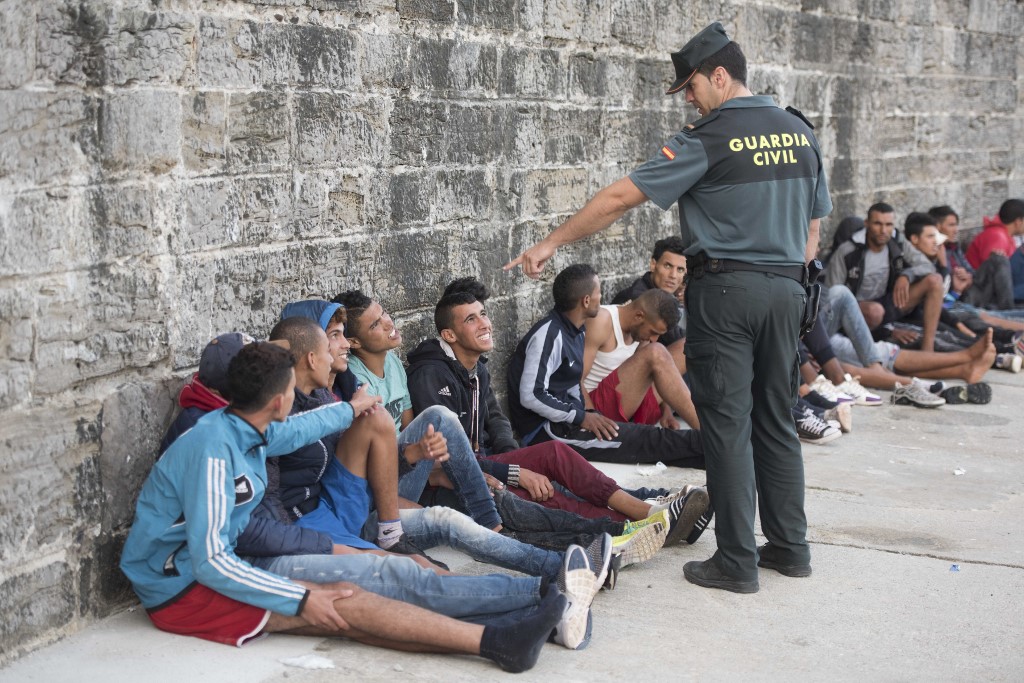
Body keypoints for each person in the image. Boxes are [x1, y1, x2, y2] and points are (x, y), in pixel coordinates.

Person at [506, 23, 830, 593]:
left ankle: (735, 561)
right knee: (776, 421)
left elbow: (618, 198)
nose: (688, 97)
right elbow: (813, 225)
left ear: (721, 76)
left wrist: (552, 243)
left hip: (728, 292)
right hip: (788, 290)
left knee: (726, 427)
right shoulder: (798, 133)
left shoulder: (710, 135)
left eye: (692, 85)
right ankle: (790, 548)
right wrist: (791, 282)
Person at [121, 341, 567, 671]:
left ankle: (521, 616)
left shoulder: (243, 424)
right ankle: (520, 616)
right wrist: (298, 598)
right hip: (182, 589)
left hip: (220, 564)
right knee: (353, 598)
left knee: (360, 601)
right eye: (293, 392)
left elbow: (296, 430)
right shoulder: (213, 450)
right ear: (279, 400)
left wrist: (351, 408)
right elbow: (210, 561)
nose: (296, 400)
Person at [407, 277, 711, 551]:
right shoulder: (431, 375)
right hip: (458, 476)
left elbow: (496, 419)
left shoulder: (477, 368)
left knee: (555, 472)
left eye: (483, 314)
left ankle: (655, 506)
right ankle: (647, 520)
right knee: (554, 485)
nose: (484, 323)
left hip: (488, 461)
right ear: (448, 334)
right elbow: (448, 460)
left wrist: (515, 457)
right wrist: (516, 471)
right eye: (471, 319)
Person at [505, 264, 706, 470]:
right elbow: (530, 395)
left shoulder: (575, 331)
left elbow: (572, 382)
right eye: (599, 293)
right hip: (548, 431)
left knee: (655, 440)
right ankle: (714, 442)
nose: (601, 298)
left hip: (575, 417)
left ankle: (715, 450)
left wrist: (590, 412)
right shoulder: (549, 333)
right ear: (585, 300)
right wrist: (583, 416)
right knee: (648, 441)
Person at [825, 202, 944, 352]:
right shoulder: (847, 251)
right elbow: (832, 299)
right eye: (877, 224)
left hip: (889, 302)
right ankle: (877, 337)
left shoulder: (896, 243)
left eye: (888, 225)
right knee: (875, 311)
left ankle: (928, 348)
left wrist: (906, 276)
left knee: (935, 280)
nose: (883, 230)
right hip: (858, 309)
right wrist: (887, 331)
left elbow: (928, 266)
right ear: (867, 224)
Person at [582, 288, 701, 430]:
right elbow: (574, 379)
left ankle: (718, 425)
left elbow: (648, 375)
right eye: (653, 332)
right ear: (639, 315)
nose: (654, 339)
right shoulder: (602, 320)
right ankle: (711, 436)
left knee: (689, 345)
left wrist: (665, 410)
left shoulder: (640, 330)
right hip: (596, 409)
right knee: (656, 351)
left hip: (630, 404)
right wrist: (589, 414)